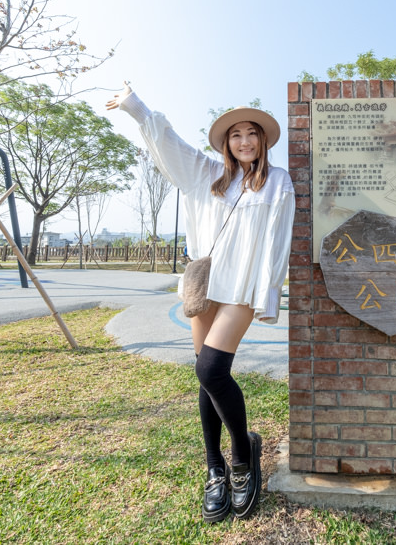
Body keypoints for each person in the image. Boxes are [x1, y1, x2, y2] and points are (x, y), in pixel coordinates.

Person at [107, 82, 294, 523]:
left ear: (262, 140)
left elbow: (278, 242)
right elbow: (169, 145)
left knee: (212, 369)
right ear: (227, 143)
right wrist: (136, 107)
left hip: (241, 288)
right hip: (205, 284)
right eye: (236, 135)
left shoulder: (277, 182)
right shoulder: (205, 174)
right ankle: (214, 469)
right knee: (205, 377)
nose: (244, 141)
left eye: (252, 134)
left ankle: (243, 456)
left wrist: (268, 292)